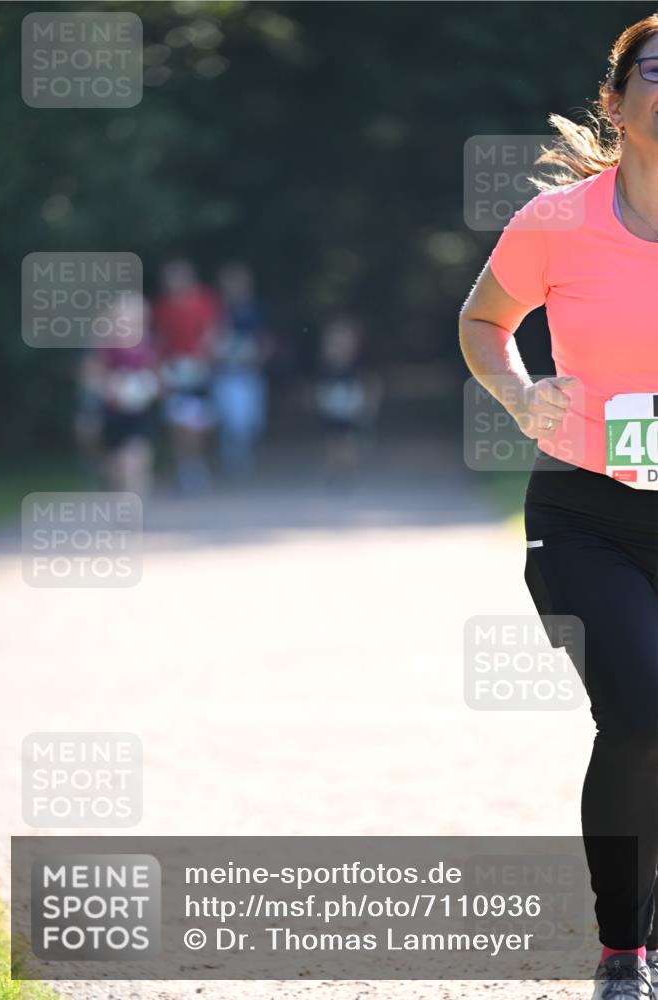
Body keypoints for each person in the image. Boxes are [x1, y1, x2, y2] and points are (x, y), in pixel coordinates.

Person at [459, 16, 658, 1000]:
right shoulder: (558, 224)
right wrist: (517, 392)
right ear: (615, 103)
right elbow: (483, 323)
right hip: (587, 509)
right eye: (655, 72)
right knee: (636, 708)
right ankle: (624, 945)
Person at [152, 259, 222, 494]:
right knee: (177, 423)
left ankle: (196, 465)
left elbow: (211, 332)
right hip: (173, 370)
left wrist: (205, 359)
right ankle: (185, 469)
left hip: (198, 370)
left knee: (196, 425)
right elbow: (160, 339)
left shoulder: (204, 300)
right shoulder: (163, 306)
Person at [80, 293, 159, 495]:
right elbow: (91, 378)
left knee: (135, 459)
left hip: (139, 414)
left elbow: (157, 377)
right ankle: (114, 486)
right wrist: (110, 386)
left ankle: (136, 503)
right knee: (115, 467)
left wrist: (149, 386)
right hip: (111, 413)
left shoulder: (148, 344)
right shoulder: (103, 345)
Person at [211, 261, 271, 477]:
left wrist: (260, 359)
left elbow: (265, 339)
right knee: (230, 419)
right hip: (226, 372)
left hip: (250, 372)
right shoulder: (216, 308)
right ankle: (233, 459)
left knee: (251, 421)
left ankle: (243, 451)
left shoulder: (256, 308)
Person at [314, 313, 382, 480]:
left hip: (349, 402)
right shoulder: (327, 363)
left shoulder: (360, 364)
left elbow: (371, 382)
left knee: (348, 436)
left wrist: (369, 405)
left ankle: (347, 471)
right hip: (333, 402)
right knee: (333, 437)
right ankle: (336, 470)